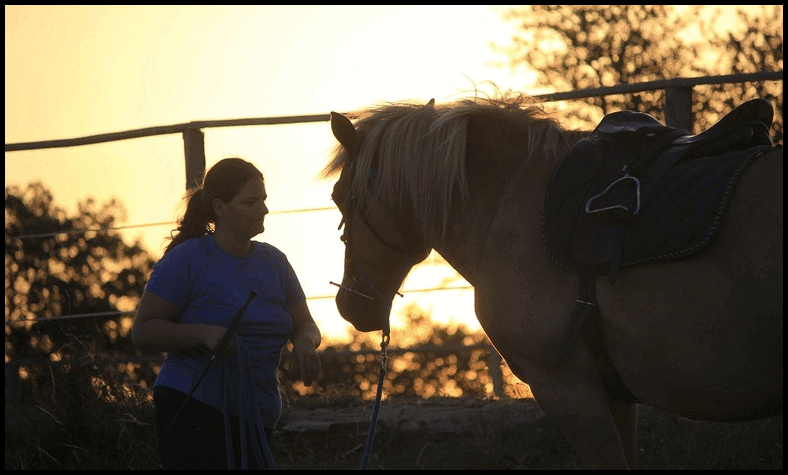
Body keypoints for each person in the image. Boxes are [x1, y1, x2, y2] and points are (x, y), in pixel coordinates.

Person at [132, 157, 321, 470]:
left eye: (263, 200)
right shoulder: (186, 260)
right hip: (193, 406)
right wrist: (204, 333)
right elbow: (143, 331)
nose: (263, 210)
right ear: (220, 208)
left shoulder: (276, 262)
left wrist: (305, 341)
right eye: (250, 202)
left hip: (257, 415)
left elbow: (306, 324)